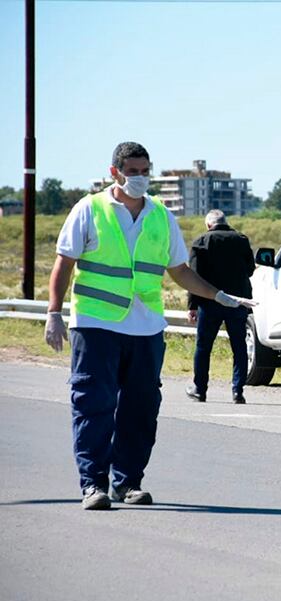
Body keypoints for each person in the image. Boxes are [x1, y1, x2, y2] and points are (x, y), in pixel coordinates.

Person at [43, 142, 256, 511]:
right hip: (96, 325)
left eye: (145, 171)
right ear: (115, 172)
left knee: (141, 408)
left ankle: (127, 482)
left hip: (145, 328)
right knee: (95, 404)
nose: (140, 177)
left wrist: (218, 296)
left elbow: (180, 271)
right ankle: (93, 484)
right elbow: (64, 263)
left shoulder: (160, 215)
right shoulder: (89, 209)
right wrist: (53, 312)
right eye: (133, 171)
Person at [185, 209, 256, 404]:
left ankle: (200, 389)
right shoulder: (241, 240)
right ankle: (237, 390)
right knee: (239, 346)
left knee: (203, 347)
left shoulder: (201, 241)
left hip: (210, 301)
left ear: (208, 225)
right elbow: (250, 269)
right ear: (226, 222)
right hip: (237, 301)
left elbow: (194, 277)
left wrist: (192, 306)